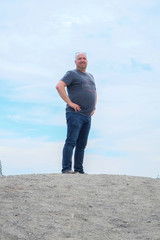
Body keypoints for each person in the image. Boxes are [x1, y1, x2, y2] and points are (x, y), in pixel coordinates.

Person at [56, 52, 97, 174]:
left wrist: (94, 107)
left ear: (87, 61)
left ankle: (79, 170)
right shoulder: (71, 74)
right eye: (79, 59)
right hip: (75, 114)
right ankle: (67, 169)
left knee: (82, 144)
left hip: (87, 116)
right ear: (75, 61)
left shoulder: (90, 76)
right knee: (71, 141)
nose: (82, 60)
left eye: (84, 58)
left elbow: (94, 92)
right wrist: (70, 103)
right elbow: (59, 86)